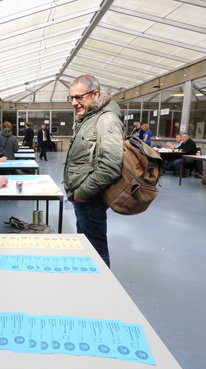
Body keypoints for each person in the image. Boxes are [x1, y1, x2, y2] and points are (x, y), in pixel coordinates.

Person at [63, 75, 124, 267]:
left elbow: (111, 165)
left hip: (90, 198)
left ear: (95, 94)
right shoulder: (89, 118)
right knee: (86, 243)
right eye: (71, 97)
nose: (74, 103)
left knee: (96, 248)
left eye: (79, 97)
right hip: (82, 197)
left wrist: (82, 193)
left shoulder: (106, 120)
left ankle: (102, 290)